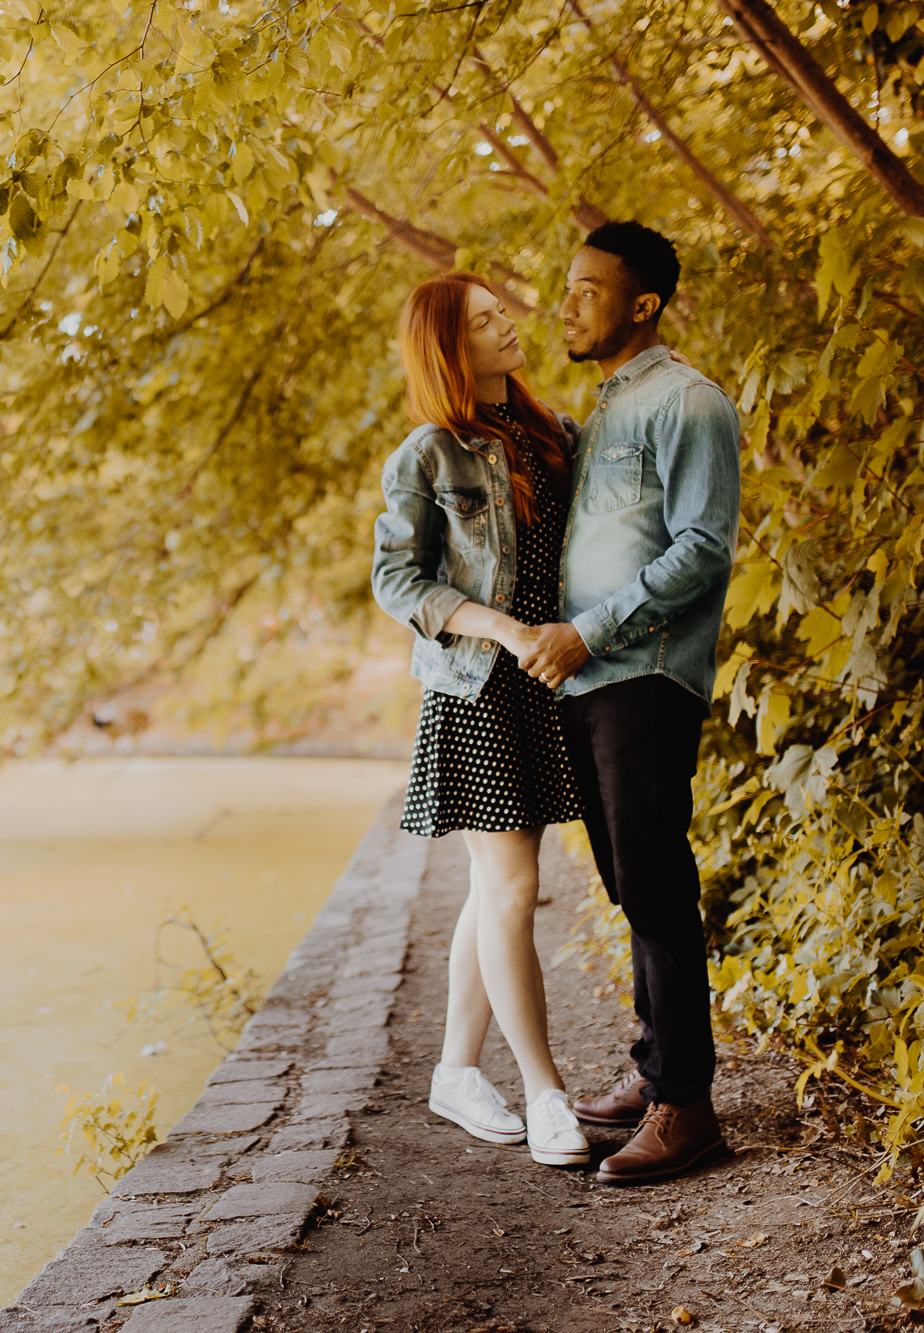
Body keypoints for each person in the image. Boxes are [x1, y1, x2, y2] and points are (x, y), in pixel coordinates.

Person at [515, 221, 742, 1185]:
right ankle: (658, 1078)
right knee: (628, 881)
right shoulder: (606, 407)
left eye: (587, 288)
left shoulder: (688, 402)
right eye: (565, 287)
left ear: (641, 303)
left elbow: (700, 548)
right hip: (594, 680)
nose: (566, 302)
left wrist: (589, 631)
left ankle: (687, 1108)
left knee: (654, 881)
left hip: (642, 671)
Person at [370, 271, 592, 1169]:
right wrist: (501, 626)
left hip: (551, 683)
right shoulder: (427, 454)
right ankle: (546, 1092)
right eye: (486, 320)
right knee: (510, 887)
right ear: (449, 348)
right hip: (477, 690)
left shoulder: (556, 437)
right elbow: (396, 580)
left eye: (504, 311)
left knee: (491, 888)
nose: (511, 324)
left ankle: (456, 1069)